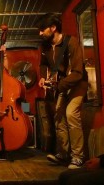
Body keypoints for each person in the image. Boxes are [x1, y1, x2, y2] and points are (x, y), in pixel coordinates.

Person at [37, 13, 88, 169]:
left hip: (77, 84)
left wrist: (58, 85)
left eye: (42, 30)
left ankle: (78, 157)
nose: (40, 33)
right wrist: (42, 77)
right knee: (58, 116)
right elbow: (43, 64)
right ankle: (63, 154)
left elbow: (78, 73)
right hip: (61, 85)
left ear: (53, 28)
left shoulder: (71, 42)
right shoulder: (45, 47)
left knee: (71, 113)